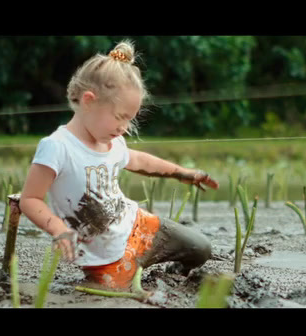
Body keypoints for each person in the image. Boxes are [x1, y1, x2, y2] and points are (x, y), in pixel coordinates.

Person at [19, 40, 219, 292]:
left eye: (129, 119)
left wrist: (183, 173)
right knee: (114, 297)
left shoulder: (112, 141)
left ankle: (172, 277)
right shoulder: (57, 146)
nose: (124, 128)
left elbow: (139, 161)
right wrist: (59, 229)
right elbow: (30, 199)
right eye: (119, 117)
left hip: (139, 227)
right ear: (89, 101)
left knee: (200, 248)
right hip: (106, 258)